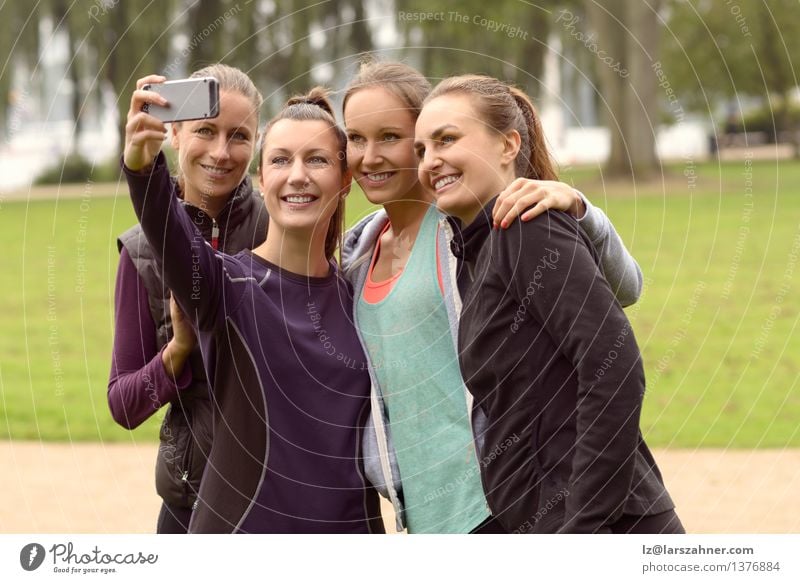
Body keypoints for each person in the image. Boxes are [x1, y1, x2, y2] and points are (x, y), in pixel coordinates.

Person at [341, 61, 645, 533]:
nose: (370, 155)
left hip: (497, 506)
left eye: (389, 137)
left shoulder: (477, 226)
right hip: (423, 514)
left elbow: (623, 302)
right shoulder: (355, 257)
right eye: (356, 139)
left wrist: (581, 209)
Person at [415, 74, 683, 534]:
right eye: (421, 150)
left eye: (447, 140)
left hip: (606, 526)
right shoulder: (475, 249)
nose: (430, 161)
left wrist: (582, 527)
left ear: (507, 145)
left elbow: (615, 367)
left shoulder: (526, 229)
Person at [122, 76, 383, 533]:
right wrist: (144, 168)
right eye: (281, 160)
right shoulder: (228, 286)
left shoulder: (361, 295)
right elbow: (171, 234)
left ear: (346, 179)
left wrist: (552, 200)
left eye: (317, 160)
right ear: (262, 179)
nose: (297, 174)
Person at [107, 64, 267, 533]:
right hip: (189, 503)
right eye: (205, 131)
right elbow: (124, 404)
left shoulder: (282, 229)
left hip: (280, 491)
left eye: (239, 135)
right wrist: (177, 351)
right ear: (173, 133)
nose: (221, 152)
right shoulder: (140, 252)